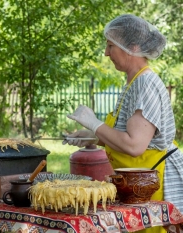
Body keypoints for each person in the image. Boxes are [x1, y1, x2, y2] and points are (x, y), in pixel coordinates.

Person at [66, 14, 183, 233]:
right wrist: (92, 136)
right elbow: (130, 135)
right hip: (136, 186)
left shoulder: (146, 83)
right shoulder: (133, 81)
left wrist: (94, 123)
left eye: (111, 45)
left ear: (134, 47)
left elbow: (135, 145)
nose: (106, 53)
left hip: (152, 183)